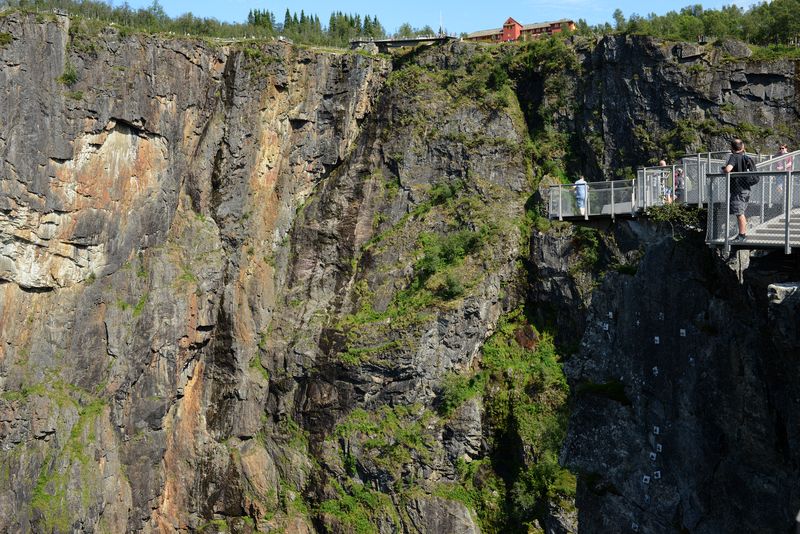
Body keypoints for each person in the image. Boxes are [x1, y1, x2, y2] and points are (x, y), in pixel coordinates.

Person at [721, 138, 757, 242]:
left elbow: (728, 169)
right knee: (741, 212)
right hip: (746, 188)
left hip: (738, 190)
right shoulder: (746, 157)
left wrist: (724, 169)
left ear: (732, 148)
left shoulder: (734, 157)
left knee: (739, 213)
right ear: (743, 147)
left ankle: (742, 236)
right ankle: (742, 234)